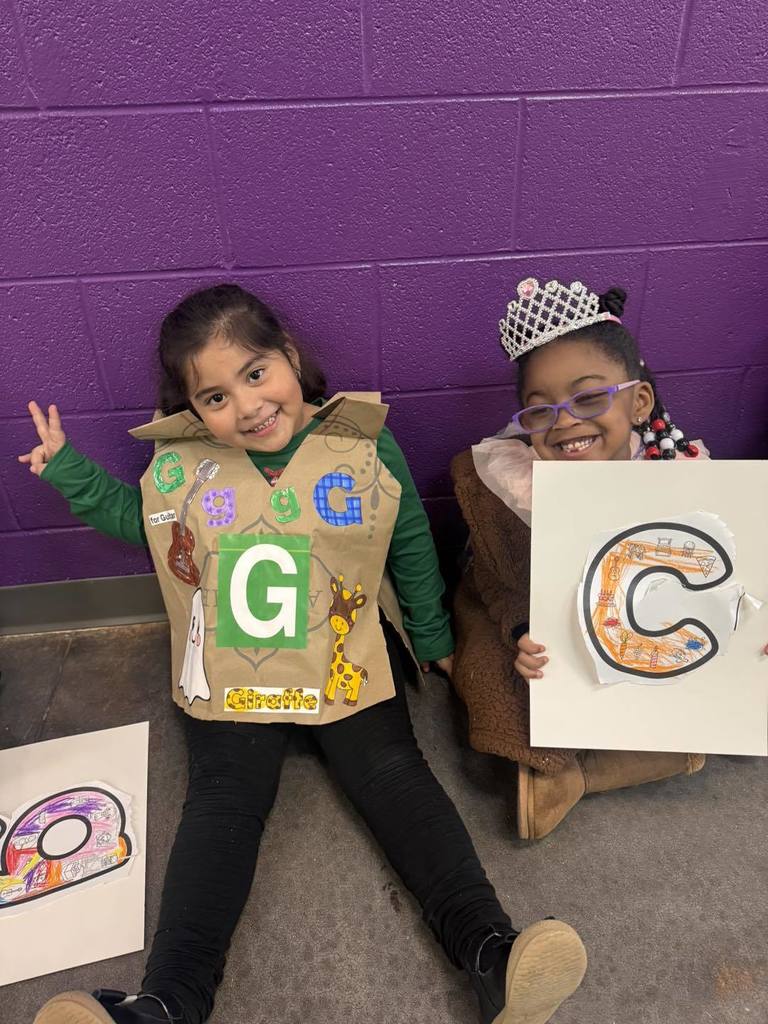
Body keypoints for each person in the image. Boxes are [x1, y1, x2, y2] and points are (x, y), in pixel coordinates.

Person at [24, 284, 586, 1024]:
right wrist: (71, 472)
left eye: (257, 374)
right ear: (194, 412)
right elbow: (145, 524)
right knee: (223, 801)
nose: (248, 406)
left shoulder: (359, 439)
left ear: (289, 358)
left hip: (343, 647)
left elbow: (409, 540)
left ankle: (491, 954)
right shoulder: (184, 466)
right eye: (217, 397)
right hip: (232, 661)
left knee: (395, 777)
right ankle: (166, 1005)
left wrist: (435, 641)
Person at [451, 277, 712, 842]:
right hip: (526, 617)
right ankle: (580, 765)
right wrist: (523, 632)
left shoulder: (682, 476)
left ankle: (582, 776)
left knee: (710, 680)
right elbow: (500, 583)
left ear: (638, 401)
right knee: (487, 674)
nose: (564, 422)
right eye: (539, 411)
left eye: (589, 398)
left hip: (637, 626)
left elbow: (711, 584)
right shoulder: (503, 480)